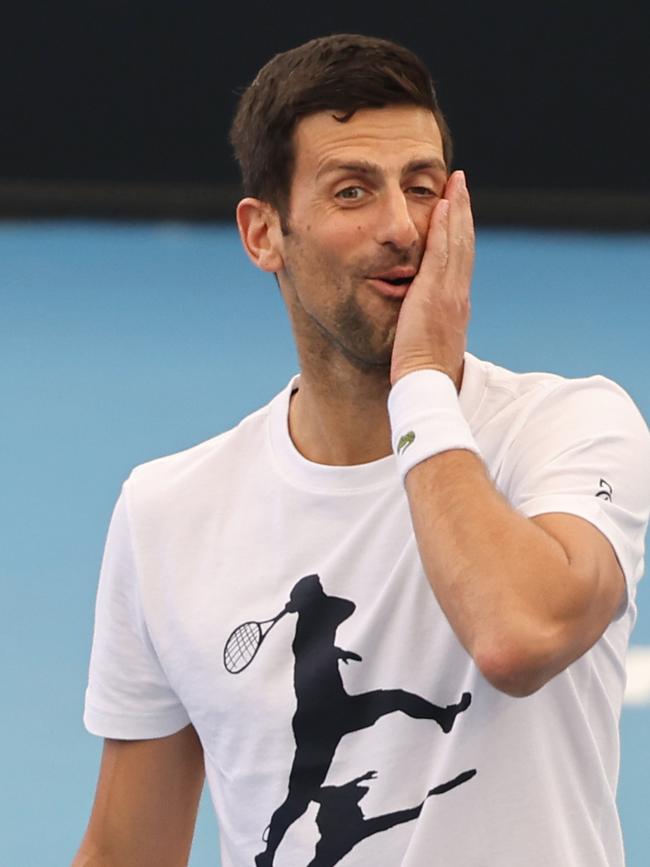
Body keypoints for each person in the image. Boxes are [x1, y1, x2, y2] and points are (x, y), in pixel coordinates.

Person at [73, 33, 650, 867]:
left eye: (423, 188)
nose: (401, 228)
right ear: (264, 234)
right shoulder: (166, 511)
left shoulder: (570, 429)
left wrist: (420, 379)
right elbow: (127, 850)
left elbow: (516, 634)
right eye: (353, 192)